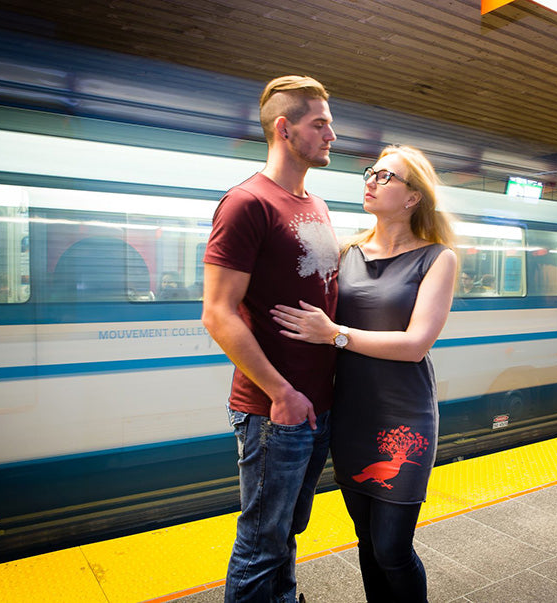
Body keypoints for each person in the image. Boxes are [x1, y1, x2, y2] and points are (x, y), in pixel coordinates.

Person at [271, 145, 458, 602]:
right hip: (351, 415)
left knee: (393, 546)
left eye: (385, 176)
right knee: (368, 541)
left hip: (404, 415)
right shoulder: (345, 251)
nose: (370, 181)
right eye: (370, 173)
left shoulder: (437, 259)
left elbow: (416, 345)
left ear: (413, 197)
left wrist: (334, 334)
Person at [201, 75, 339, 603]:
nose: (333, 135)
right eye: (320, 124)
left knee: (284, 532)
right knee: (261, 542)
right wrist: (282, 393)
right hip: (274, 411)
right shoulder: (246, 203)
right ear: (285, 129)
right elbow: (217, 312)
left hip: (316, 406)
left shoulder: (316, 204)